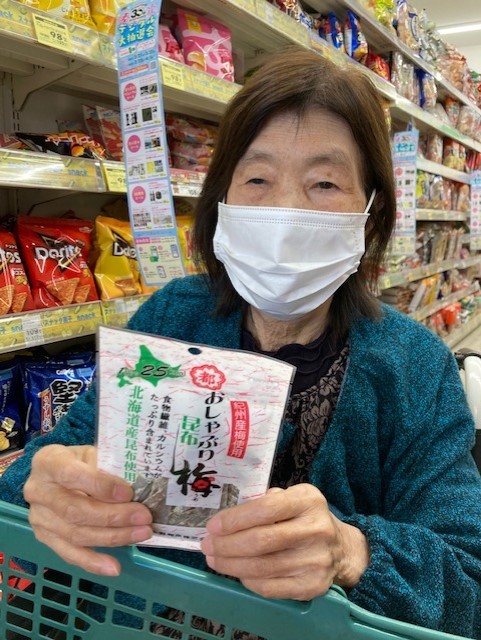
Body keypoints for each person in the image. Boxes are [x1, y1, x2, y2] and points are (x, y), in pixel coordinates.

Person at [1, 48, 481, 639]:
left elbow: (469, 581)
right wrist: (43, 490)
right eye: (257, 178)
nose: (285, 210)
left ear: (371, 210)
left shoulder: (415, 366)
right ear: (221, 200)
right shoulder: (173, 317)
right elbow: (56, 464)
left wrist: (350, 551)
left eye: (325, 182)